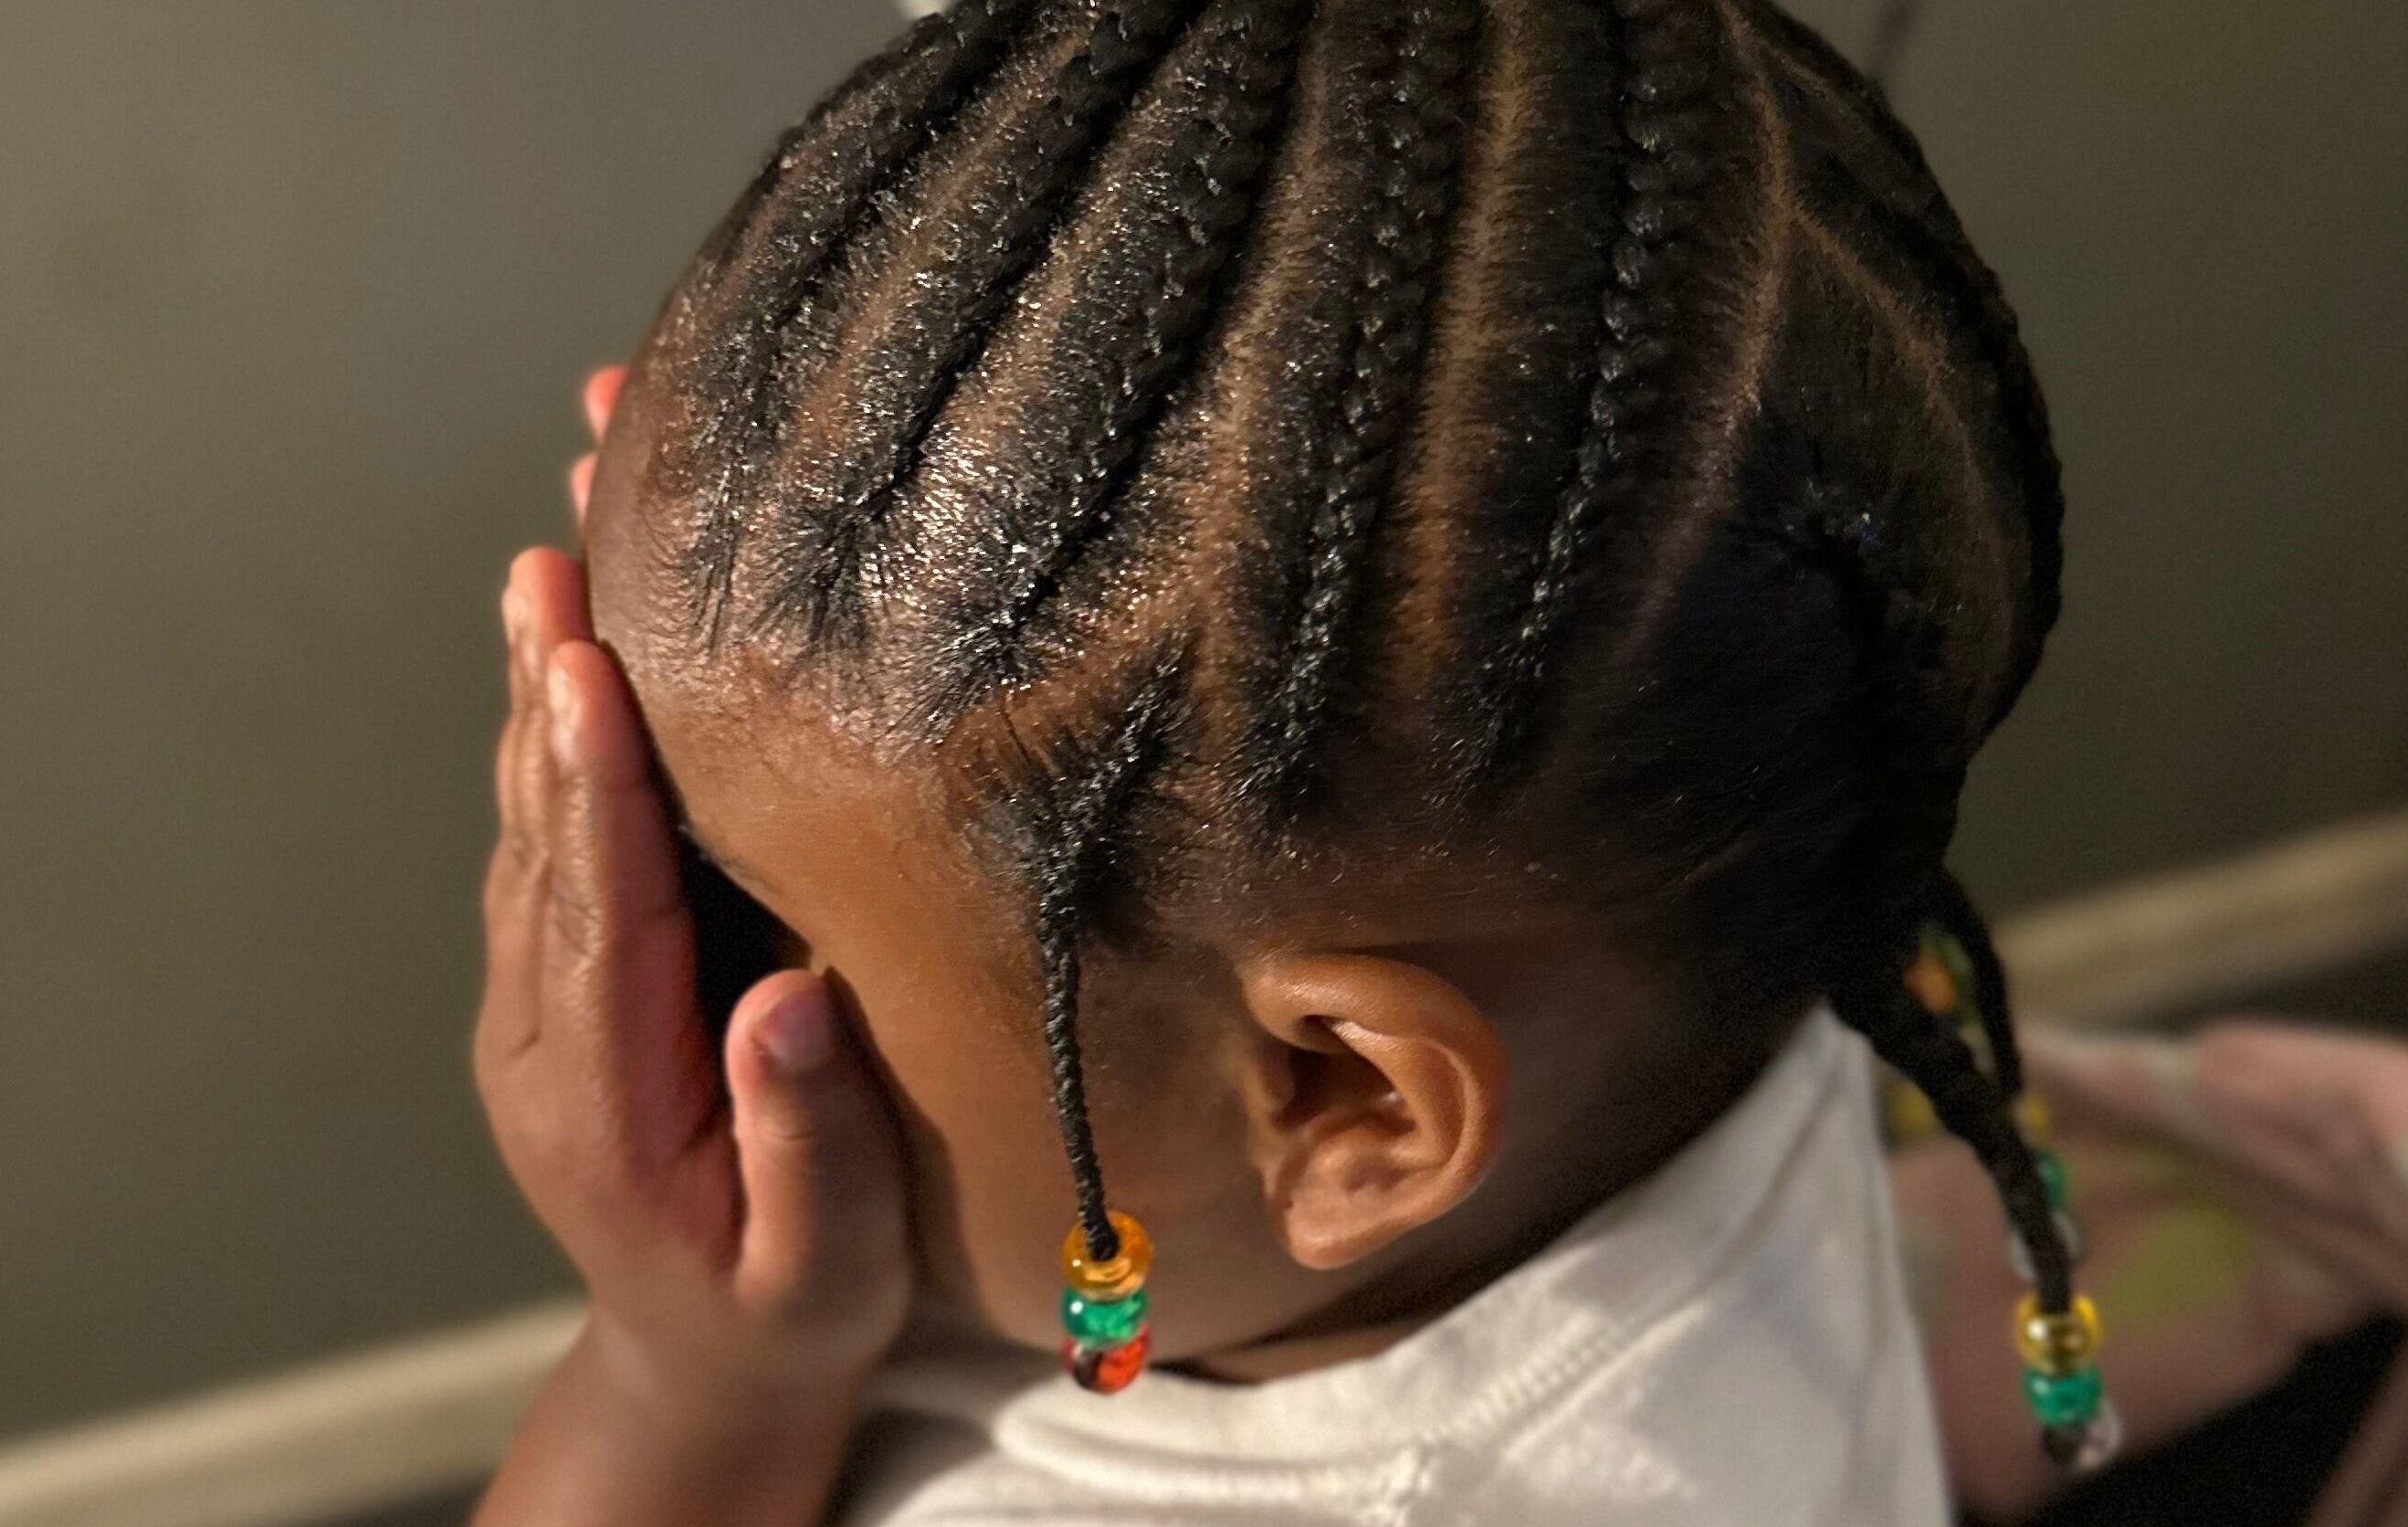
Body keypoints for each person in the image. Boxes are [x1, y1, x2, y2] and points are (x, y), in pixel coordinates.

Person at [471, 1, 2093, 1521]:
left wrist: (687, 1369)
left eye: (743, 920)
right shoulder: (1688, 936)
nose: (611, 953)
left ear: (1343, 1104)